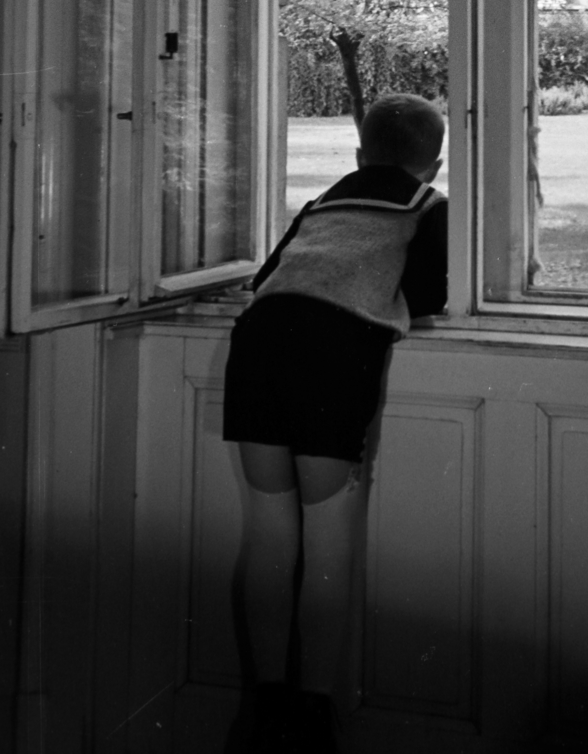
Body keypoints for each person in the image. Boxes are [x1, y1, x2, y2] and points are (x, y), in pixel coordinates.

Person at [223, 93, 448, 752]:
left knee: (268, 532)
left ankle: (267, 698)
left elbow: (267, 276)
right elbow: (430, 293)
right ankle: (315, 707)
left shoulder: (319, 206)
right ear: (432, 165)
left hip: (257, 343)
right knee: (327, 538)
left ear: (358, 154)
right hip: (330, 353)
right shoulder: (426, 206)